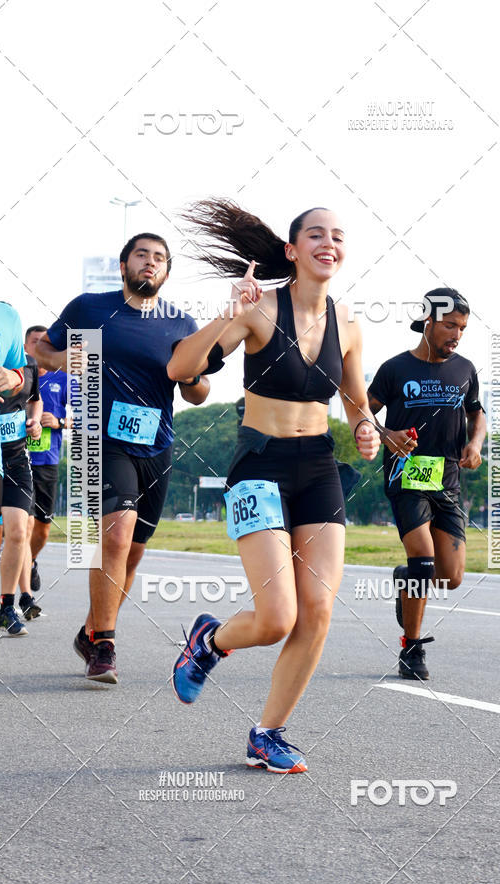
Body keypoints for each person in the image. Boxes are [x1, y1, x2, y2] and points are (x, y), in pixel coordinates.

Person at [167, 200, 380, 774]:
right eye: (315, 234)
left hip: (318, 467)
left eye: (337, 235)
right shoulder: (259, 311)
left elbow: (355, 400)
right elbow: (181, 369)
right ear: (292, 250)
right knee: (276, 618)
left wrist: (366, 429)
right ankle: (208, 643)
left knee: (317, 611)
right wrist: (227, 313)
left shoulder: (349, 324)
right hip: (260, 464)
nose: (327, 242)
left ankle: (269, 732)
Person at [35, 234, 210, 683]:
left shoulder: (181, 323)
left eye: (159, 259)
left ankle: (90, 630)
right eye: (142, 256)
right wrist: (68, 359)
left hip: (157, 444)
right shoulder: (90, 308)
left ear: (166, 272)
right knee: (114, 539)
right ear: (123, 265)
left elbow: (198, 392)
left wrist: (192, 378)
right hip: (102, 441)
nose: (150, 263)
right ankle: (106, 645)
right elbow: (43, 351)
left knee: (131, 554)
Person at [367, 288, 486, 680]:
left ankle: (407, 580)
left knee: (450, 577)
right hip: (406, 474)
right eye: (450, 325)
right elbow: (361, 410)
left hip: (448, 479)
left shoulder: (465, 369)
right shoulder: (395, 369)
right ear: (428, 322)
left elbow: (477, 414)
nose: (457, 334)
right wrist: (386, 434)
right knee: (423, 560)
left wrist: (474, 443)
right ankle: (411, 648)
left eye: (463, 328)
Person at [22, 326, 69, 596]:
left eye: (44, 342)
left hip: (47, 462)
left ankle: (29, 561)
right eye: (35, 342)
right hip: (16, 459)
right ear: (27, 347)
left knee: (42, 528)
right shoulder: (15, 375)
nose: (40, 347)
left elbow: (86, 417)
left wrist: (60, 421)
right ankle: (18, 591)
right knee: (21, 523)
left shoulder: (62, 379)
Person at [0, 351, 43, 625]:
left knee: (17, 531)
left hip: (16, 459)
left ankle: (7, 607)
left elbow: (35, 400)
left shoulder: (29, 364)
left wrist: (35, 421)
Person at [0, 301, 27, 636]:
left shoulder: (7, 316)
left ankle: (8, 604)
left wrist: (14, 376)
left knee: (19, 529)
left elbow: (24, 377)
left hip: (12, 453)